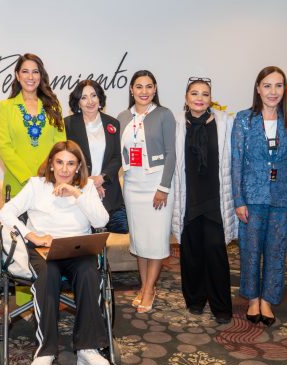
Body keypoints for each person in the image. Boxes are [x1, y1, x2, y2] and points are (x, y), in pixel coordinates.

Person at [0, 140, 111, 365]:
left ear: (79, 167)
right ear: (51, 163)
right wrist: (32, 235)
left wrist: (77, 193)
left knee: (89, 273)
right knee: (47, 275)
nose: (64, 169)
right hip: (43, 250)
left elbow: (101, 221)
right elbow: (4, 212)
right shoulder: (37, 185)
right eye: (59, 162)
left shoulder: (87, 188)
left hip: (78, 250)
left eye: (71, 163)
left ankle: (88, 349)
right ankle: (45, 353)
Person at [231, 66, 287, 327]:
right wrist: (238, 200)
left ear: (284, 89)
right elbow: (236, 162)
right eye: (268, 85)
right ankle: (253, 299)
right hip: (252, 196)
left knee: (276, 250)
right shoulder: (243, 119)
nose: (273, 91)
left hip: (282, 198)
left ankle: (268, 300)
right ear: (258, 89)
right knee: (250, 250)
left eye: (279, 85)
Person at [171, 77, 237, 324]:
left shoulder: (224, 123)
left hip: (215, 199)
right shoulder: (176, 123)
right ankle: (195, 301)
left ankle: (221, 306)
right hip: (188, 199)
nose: (199, 98)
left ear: (211, 99)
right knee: (191, 253)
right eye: (194, 93)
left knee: (216, 252)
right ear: (186, 98)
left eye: (205, 94)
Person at [117, 70, 176, 313]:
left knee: (156, 240)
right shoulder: (122, 117)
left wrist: (163, 187)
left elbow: (171, 153)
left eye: (149, 86)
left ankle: (150, 289)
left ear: (155, 89)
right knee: (140, 241)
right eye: (139, 86)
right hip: (132, 184)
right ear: (131, 90)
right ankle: (144, 286)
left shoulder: (164, 114)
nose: (144, 91)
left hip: (156, 184)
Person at [0, 53, 65, 197]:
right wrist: (28, 178)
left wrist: (44, 175)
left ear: (41, 76)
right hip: (18, 186)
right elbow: (5, 147)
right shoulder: (6, 106)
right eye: (25, 71)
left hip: (49, 183)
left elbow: (60, 145)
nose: (30, 77)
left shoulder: (53, 106)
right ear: (17, 75)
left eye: (35, 72)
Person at [65, 80, 127, 233]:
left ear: (100, 98)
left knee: (121, 233)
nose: (90, 101)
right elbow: (67, 159)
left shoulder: (113, 123)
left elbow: (117, 156)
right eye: (84, 97)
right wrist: (89, 182)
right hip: (80, 193)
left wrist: (101, 178)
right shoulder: (68, 124)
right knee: (87, 240)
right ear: (78, 102)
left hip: (110, 194)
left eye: (93, 95)